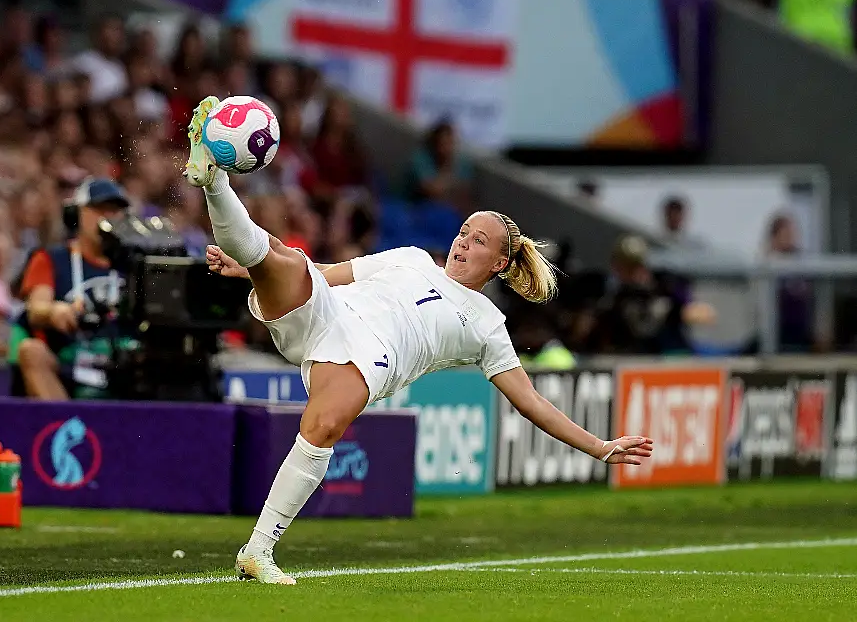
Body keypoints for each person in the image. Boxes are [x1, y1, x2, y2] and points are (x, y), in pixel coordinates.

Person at [183, 95, 654, 585]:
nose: (463, 242)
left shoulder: (489, 323)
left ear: (498, 264)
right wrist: (250, 271)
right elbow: (325, 272)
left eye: (478, 241)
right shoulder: (409, 256)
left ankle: (258, 550)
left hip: (371, 356)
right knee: (276, 259)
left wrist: (600, 447)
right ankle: (213, 177)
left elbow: (530, 400)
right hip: (329, 308)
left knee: (323, 424)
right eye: (464, 232)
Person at [12, 178, 129, 400]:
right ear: (76, 215)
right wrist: (54, 311)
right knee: (30, 350)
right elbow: (36, 309)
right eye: (98, 209)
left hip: (124, 361)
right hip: (70, 360)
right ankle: (67, 426)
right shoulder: (50, 259)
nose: (107, 217)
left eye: (114, 211)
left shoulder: (135, 263)